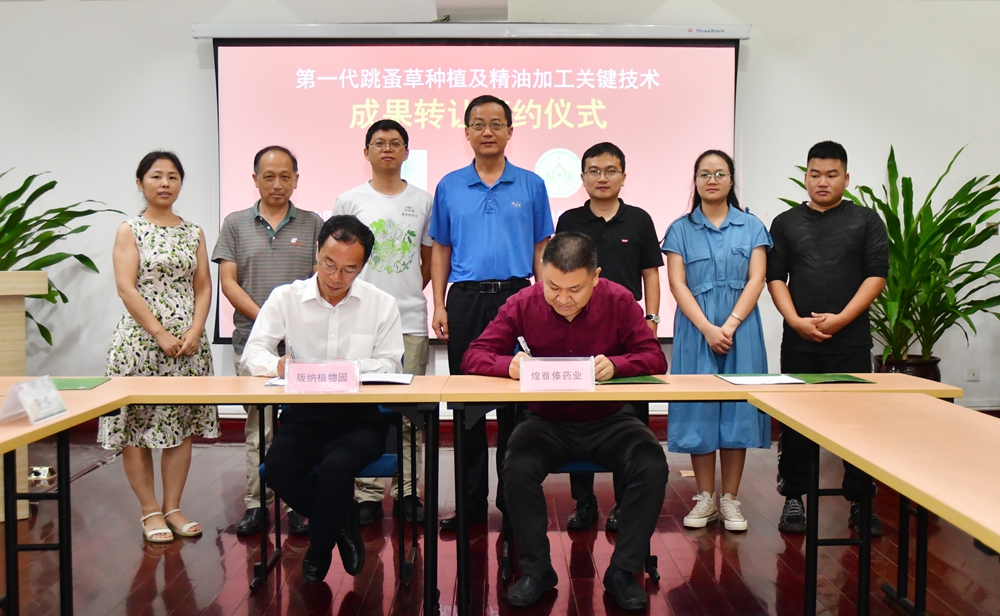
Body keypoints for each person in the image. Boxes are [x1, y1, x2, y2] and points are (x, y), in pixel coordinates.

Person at [463, 232, 668, 610]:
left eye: (575, 289)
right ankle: (536, 570)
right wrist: (508, 365)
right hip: (546, 420)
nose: (562, 298)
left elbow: (654, 357)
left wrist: (617, 365)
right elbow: (474, 355)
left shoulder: (619, 300)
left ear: (595, 277)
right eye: (553, 286)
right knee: (516, 467)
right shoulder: (523, 302)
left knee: (651, 463)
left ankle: (623, 571)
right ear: (542, 273)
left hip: (609, 420)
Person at [241, 215, 404, 583]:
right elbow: (253, 352)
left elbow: (391, 363)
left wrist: (348, 368)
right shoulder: (286, 298)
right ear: (317, 252)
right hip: (304, 417)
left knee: (336, 467)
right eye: (329, 264)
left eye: (349, 270)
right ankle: (342, 523)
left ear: (363, 266)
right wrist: (278, 365)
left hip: (360, 420)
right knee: (277, 468)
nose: (335, 277)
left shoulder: (381, 304)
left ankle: (318, 548)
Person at [429, 94, 555, 530]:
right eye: (479, 124)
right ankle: (469, 507)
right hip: (465, 299)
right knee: (467, 407)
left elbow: (542, 248)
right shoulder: (449, 186)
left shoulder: (531, 184)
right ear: (466, 132)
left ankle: (512, 502)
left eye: (496, 124)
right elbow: (441, 249)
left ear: (510, 131)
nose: (488, 131)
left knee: (515, 409)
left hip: (518, 297)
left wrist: (543, 301)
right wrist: (439, 303)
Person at [767, 141, 889, 535]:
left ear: (846, 178)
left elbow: (876, 275)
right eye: (815, 174)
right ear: (805, 177)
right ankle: (793, 498)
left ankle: (861, 500)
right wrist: (795, 321)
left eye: (832, 174)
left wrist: (840, 320)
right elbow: (775, 277)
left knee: (857, 424)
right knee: (796, 424)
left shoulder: (866, 221)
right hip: (799, 341)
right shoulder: (785, 222)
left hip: (850, 342)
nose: (823, 181)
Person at [101, 151, 218, 543]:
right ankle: (149, 510)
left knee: (180, 425)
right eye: (156, 176)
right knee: (136, 427)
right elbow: (126, 288)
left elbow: (204, 286)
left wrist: (196, 329)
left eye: (172, 176)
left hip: (188, 345)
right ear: (140, 183)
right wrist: (159, 333)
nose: (165, 183)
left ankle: (173, 508)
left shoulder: (194, 231)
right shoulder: (130, 229)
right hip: (141, 343)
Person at [212, 145, 323, 537]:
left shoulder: (313, 223)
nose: (277, 184)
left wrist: (287, 327)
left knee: (299, 427)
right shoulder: (235, 223)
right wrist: (269, 322)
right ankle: (257, 503)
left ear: (296, 179)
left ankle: (296, 502)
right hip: (251, 342)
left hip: (301, 345)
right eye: (269, 176)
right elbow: (228, 282)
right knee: (258, 427)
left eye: (285, 176)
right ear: (255, 179)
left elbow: (319, 280)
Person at [555, 141, 663, 532]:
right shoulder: (569, 219)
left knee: (631, 415)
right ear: (582, 177)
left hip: (626, 328)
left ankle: (624, 501)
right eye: (595, 171)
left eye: (611, 170)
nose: (603, 178)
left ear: (623, 176)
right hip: (578, 326)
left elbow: (651, 273)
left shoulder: (639, 219)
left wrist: (651, 319)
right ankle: (583, 502)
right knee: (577, 409)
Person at [661, 150, 771, 533]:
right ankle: (705, 496)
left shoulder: (752, 226)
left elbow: (757, 279)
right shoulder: (680, 229)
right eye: (705, 174)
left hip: (742, 330)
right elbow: (677, 284)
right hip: (696, 331)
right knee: (699, 410)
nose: (712, 180)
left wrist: (731, 324)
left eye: (720, 173)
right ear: (695, 180)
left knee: (738, 410)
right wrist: (708, 328)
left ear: (731, 179)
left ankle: (731, 499)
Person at [333, 120, 433, 525]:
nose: (387, 149)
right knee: (364, 412)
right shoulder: (349, 199)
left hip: (409, 320)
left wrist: (397, 299)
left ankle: (408, 491)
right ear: (367, 151)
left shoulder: (423, 201)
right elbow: (338, 259)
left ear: (406, 152)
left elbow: (428, 261)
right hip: (359, 321)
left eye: (395, 143)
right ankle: (368, 494)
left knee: (411, 414)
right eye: (379, 143)